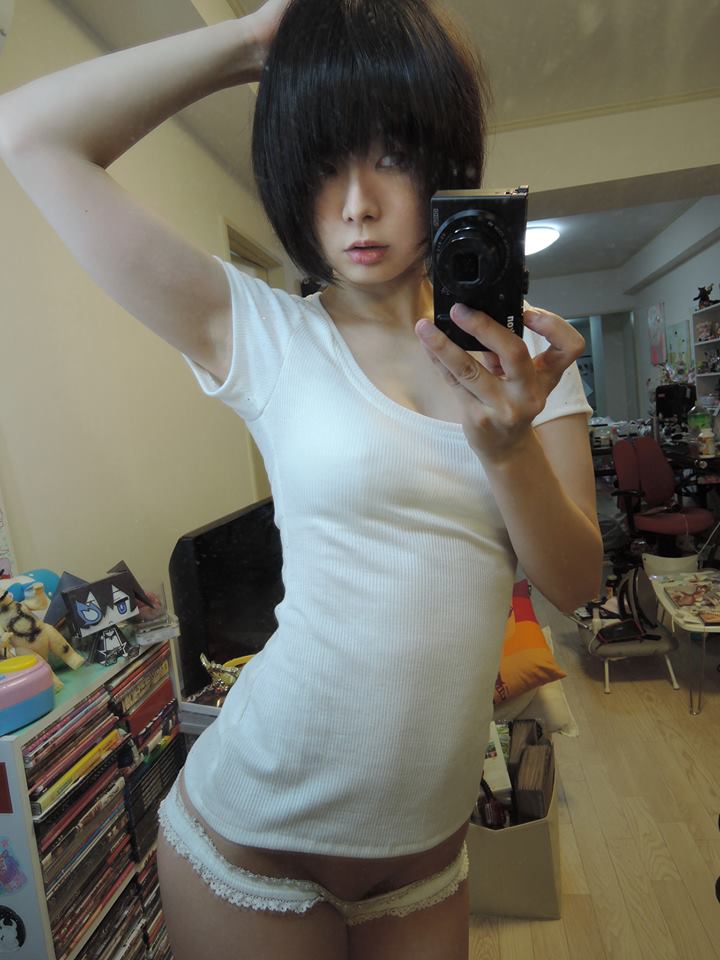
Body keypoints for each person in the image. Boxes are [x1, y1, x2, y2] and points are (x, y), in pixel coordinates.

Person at [0, 1, 602, 957]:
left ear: (442, 164)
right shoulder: (263, 332)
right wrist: (252, 41)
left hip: (427, 853)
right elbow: (29, 133)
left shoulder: (524, 360)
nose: (356, 202)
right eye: (323, 162)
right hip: (256, 842)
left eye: (390, 156)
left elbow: (576, 584)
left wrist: (506, 444)